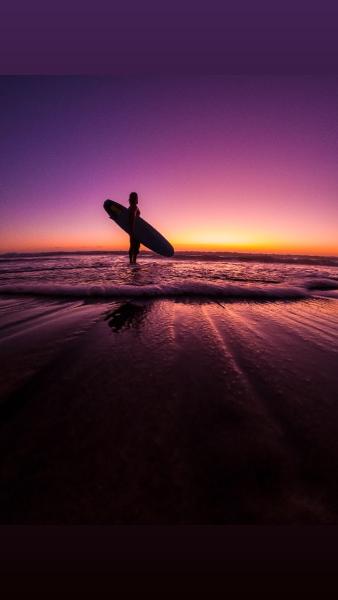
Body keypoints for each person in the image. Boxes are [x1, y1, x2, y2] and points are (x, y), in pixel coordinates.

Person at [128, 192, 141, 264]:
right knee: (135, 246)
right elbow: (133, 217)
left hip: (132, 229)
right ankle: (133, 263)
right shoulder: (134, 207)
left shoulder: (130, 207)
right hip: (135, 229)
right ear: (136, 198)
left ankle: (131, 263)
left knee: (132, 245)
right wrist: (132, 231)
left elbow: (125, 218)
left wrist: (115, 218)